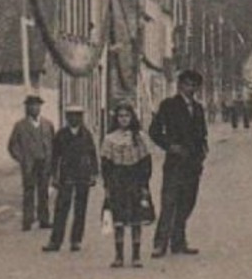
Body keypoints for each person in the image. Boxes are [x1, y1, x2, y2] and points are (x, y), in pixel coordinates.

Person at [149, 67, 208, 257]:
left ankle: (179, 242)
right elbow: (154, 131)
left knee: (187, 202)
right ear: (180, 85)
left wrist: (203, 150)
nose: (191, 89)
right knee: (169, 202)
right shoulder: (168, 105)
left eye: (194, 85)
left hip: (193, 163)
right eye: (188, 84)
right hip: (175, 162)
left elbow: (202, 132)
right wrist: (169, 146)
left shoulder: (198, 108)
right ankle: (160, 244)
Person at [100, 101, 154, 268]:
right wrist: (107, 185)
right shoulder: (109, 138)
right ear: (116, 118)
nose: (124, 119)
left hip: (135, 180)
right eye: (120, 116)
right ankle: (119, 256)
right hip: (117, 180)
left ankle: (136, 256)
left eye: (127, 116)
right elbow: (106, 165)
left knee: (136, 218)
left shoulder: (140, 137)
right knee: (118, 219)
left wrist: (144, 183)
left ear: (132, 117)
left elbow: (146, 163)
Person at [43, 103, 99, 253]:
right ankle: (55, 241)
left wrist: (94, 173)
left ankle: (76, 240)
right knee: (61, 208)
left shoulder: (86, 134)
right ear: (67, 117)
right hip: (66, 175)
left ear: (81, 118)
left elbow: (93, 155)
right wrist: (54, 176)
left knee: (80, 209)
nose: (74, 119)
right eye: (71, 116)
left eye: (78, 116)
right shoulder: (61, 135)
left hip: (83, 175)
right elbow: (55, 157)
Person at [7, 94, 55, 232]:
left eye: (37, 105)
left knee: (43, 192)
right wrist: (21, 158)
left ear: (40, 108)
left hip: (44, 163)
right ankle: (27, 220)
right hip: (29, 164)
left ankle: (44, 219)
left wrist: (51, 159)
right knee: (29, 192)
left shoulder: (47, 124)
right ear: (27, 108)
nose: (34, 108)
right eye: (31, 106)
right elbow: (12, 145)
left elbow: (53, 143)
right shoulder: (20, 126)